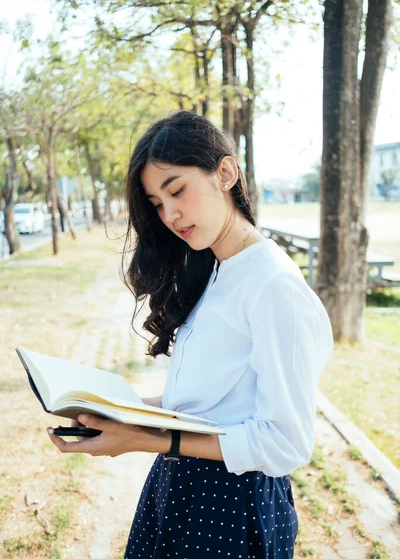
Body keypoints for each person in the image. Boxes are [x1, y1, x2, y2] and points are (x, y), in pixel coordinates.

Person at [47, 110, 334, 558]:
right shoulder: (218, 269)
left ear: (225, 172)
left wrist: (144, 439)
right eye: (157, 203)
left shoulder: (273, 284)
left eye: (177, 189)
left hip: (232, 508)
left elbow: (285, 442)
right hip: (181, 488)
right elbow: (211, 403)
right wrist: (115, 410)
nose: (170, 213)